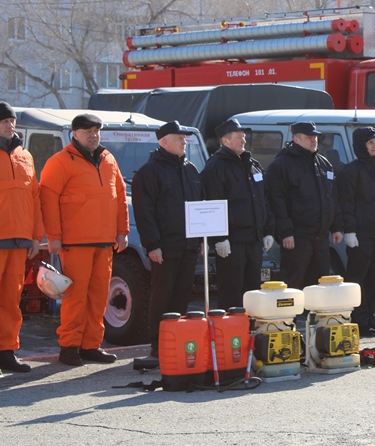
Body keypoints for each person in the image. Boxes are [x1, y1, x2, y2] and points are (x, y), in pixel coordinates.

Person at [40, 113, 129, 366]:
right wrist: (54, 237)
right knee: (75, 297)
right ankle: (69, 347)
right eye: (87, 131)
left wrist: (122, 231)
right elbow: (48, 201)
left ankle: (91, 345)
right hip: (75, 242)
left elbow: (119, 197)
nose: (93, 135)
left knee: (99, 296)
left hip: (104, 242)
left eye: (96, 130)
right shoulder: (60, 161)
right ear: (74, 134)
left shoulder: (108, 159)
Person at [132, 121, 203, 358]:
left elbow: (199, 207)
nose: (184, 141)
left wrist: (202, 239)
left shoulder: (190, 169)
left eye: (185, 137)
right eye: (179, 138)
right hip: (165, 247)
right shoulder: (149, 172)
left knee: (182, 294)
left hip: (189, 245)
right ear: (163, 142)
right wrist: (152, 245)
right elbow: (145, 212)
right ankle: (158, 344)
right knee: (162, 295)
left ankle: (177, 339)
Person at [201, 119, 274, 310]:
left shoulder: (253, 165)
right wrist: (219, 238)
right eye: (238, 137)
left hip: (254, 240)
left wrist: (268, 231)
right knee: (231, 290)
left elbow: (264, 200)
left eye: (243, 137)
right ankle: (230, 334)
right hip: (232, 242)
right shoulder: (216, 167)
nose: (243, 141)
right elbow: (212, 203)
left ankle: (249, 330)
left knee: (252, 291)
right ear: (225, 141)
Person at [266, 121, 343, 291]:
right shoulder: (282, 165)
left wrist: (336, 227)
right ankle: (290, 318)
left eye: (315, 137)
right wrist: (285, 233)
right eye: (309, 137)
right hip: (297, 238)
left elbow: (332, 197)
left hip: (321, 238)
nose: (314, 140)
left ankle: (313, 318)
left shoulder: (323, 164)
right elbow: (276, 201)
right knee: (293, 285)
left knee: (318, 287)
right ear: (296, 139)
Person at [336, 127, 375, 337]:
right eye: (370, 142)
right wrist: (350, 231)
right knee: (358, 278)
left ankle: (370, 319)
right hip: (361, 234)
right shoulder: (350, 172)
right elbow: (346, 204)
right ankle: (358, 321)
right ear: (361, 145)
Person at [0, 102, 43, 373]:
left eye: (12, 121)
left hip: (19, 240)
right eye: (4, 121)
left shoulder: (25, 156)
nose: (10, 124)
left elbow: (35, 199)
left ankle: (7, 351)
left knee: (11, 300)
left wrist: (35, 237)